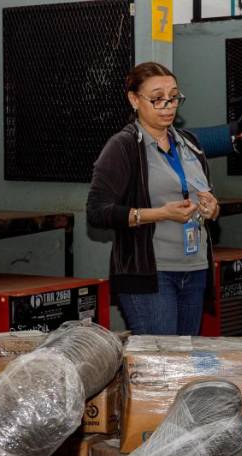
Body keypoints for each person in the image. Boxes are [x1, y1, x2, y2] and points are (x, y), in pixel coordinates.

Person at [87, 61, 220, 335]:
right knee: (160, 356)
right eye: (158, 99)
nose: (168, 106)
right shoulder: (123, 146)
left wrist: (212, 209)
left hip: (195, 269)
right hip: (151, 273)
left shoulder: (190, 144)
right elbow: (97, 211)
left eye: (174, 98)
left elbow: (205, 195)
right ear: (134, 100)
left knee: (185, 355)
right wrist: (161, 214)